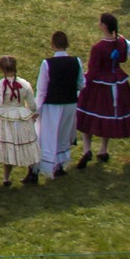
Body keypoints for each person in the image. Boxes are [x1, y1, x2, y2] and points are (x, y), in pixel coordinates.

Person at [74, 13, 130, 166]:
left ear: (104, 26)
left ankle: (87, 149)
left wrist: (83, 83)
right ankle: (103, 149)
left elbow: (93, 69)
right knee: (107, 114)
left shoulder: (98, 47)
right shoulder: (121, 42)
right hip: (117, 81)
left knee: (87, 114)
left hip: (99, 84)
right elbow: (122, 59)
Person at [28, 30, 82, 181]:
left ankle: (36, 170)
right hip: (70, 104)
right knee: (62, 135)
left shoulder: (47, 64)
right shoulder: (76, 62)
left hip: (52, 105)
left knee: (45, 136)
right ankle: (59, 166)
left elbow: (42, 89)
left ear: (52, 45)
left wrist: (36, 109)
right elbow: (81, 84)